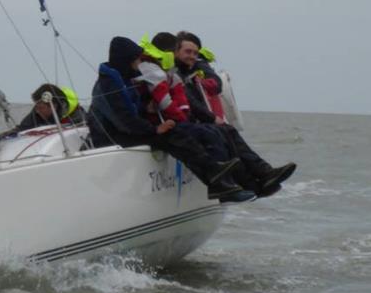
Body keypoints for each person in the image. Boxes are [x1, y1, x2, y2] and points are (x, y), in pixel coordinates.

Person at [86, 36, 255, 203]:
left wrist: (146, 109)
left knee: (181, 133)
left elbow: (128, 111)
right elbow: (123, 120)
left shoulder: (119, 78)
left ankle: (218, 179)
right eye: (137, 60)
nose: (139, 65)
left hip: (125, 131)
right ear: (126, 60)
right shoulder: (108, 84)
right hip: (111, 136)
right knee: (174, 136)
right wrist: (154, 129)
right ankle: (215, 175)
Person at [174, 31, 296, 196]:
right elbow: (189, 101)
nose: (192, 56)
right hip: (185, 123)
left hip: (197, 121)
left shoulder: (194, 68)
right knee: (220, 133)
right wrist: (211, 118)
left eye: (195, 53)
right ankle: (252, 185)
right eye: (188, 52)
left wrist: (202, 66)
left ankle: (263, 174)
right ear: (175, 52)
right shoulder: (173, 73)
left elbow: (214, 82)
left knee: (228, 131)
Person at [15, 83, 86, 132]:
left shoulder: (78, 117)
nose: (37, 111)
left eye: (40, 108)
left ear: (53, 106)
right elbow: (24, 128)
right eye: (36, 106)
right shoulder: (38, 111)